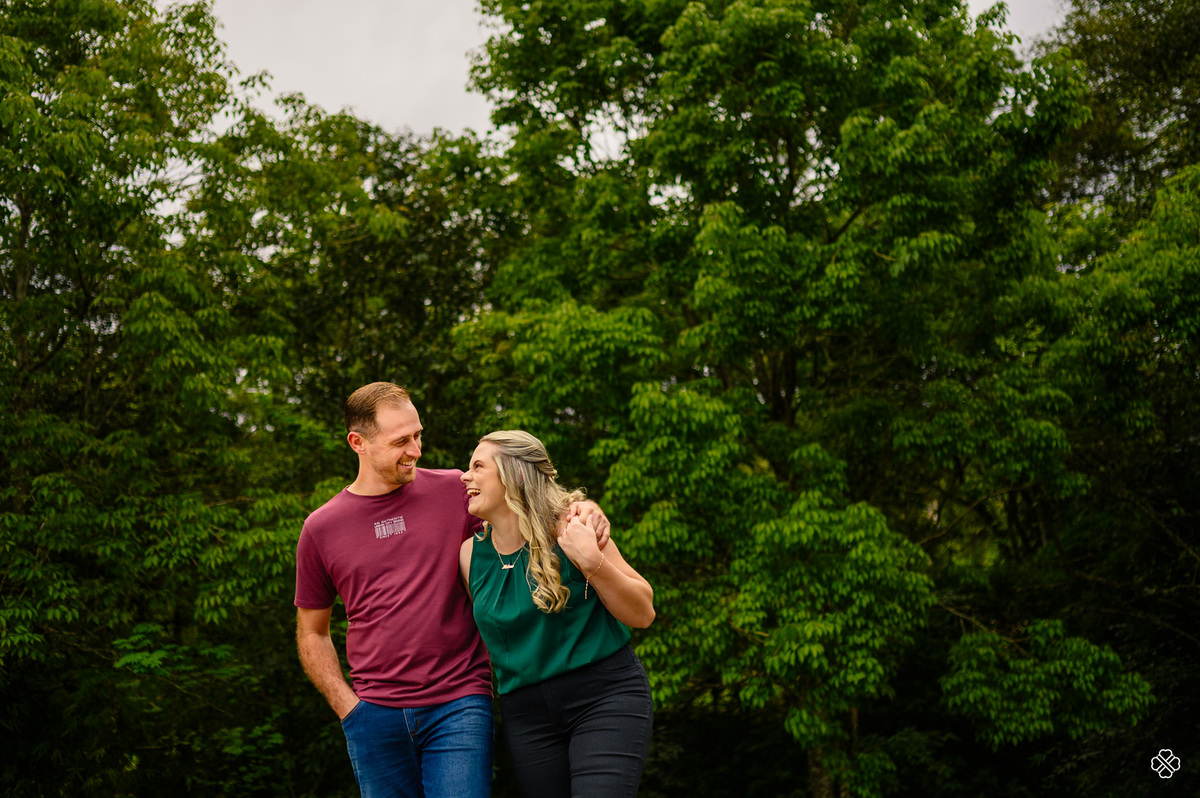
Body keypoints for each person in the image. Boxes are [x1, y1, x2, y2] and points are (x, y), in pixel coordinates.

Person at [294, 383, 608, 798]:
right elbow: (312, 631)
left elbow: (527, 507)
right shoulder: (322, 527)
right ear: (358, 443)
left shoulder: (456, 491)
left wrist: (581, 507)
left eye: (418, 434)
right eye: (401, 441)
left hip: (459, 702)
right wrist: (348, 708)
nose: (416, 449)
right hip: (373, 715)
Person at [458, 430, 655, 798]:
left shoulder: (573, 528)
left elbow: (643, 611)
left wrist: (592, 563)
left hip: (604, 697)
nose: (464, 476)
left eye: (477, 466)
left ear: (512, 475)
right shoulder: (470, 555)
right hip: (527, 717)